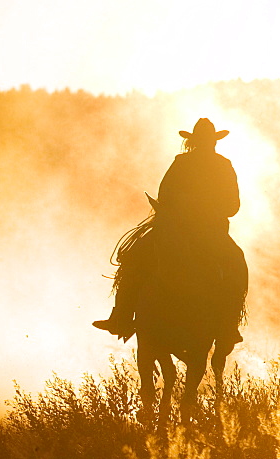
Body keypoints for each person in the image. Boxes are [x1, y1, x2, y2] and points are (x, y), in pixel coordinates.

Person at [93, 118, 247, 345]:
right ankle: (121, 316)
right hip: (186, 227)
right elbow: (167, 195)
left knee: (235, 264)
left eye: (207, 141)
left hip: (197, 228)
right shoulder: (193, 163)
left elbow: (232, 205)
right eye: (203, 141)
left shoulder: (217, 165)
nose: (205, 145)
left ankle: (228, 325)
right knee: (134, 257)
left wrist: (196, 206)